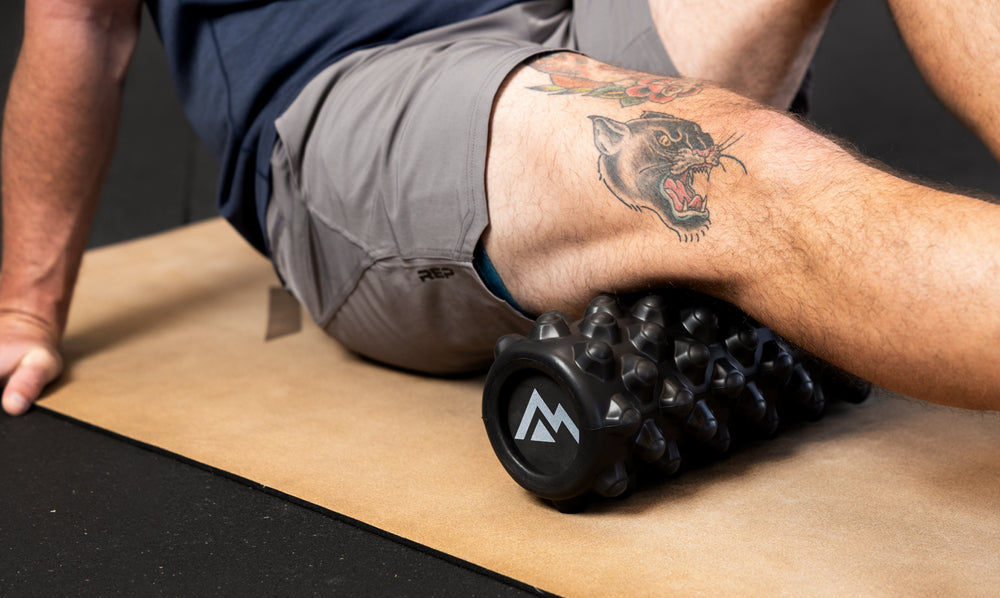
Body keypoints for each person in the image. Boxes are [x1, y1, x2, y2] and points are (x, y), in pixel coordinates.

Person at [2, 0, 1000, 418]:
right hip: (366, 98)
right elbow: (79, 25)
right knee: (727, 172)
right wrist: (24, 307)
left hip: (566, 23)